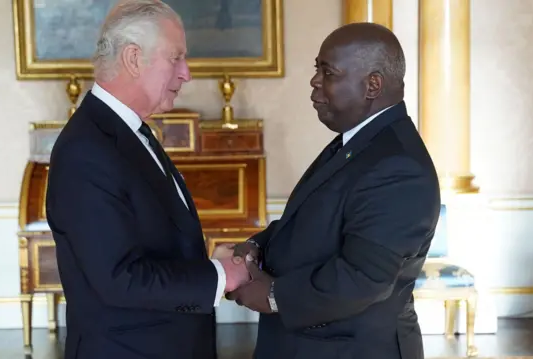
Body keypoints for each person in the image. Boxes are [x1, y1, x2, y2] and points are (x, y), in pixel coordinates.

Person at [45, 1, 249, 358]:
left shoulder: (124, 131)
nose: (187, 74)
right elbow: (119, 279)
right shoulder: (87, 149)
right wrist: (218, 277)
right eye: (176, 58)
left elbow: (151, 240)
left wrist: (203, 265)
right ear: (133, 58)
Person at [228, 22, 441, 359]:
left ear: (372, 84)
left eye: (328, 71)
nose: (314, 81)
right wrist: (256, 247)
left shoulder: (398, 166)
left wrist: (274, 295)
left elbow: (363, 277)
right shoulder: (360, 143)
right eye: (317, 68)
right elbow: (311, 224)